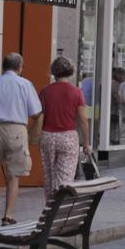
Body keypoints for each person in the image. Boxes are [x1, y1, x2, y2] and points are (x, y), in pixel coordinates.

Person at [0, 53, 43, 226]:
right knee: (13, 176)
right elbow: (36, 112)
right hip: (16, 129)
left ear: (3, 67)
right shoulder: (25, 84)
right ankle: (8, 216)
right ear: (20, 67)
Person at [38, 56, 90, 201]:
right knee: (65, 180)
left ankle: (49, 208)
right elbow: (83, 119)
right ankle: (60, 211)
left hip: (47, 136)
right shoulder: (76, 92)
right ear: (70, 71)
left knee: (49, 177)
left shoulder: (45, 91)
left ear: (53, 72)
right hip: (68, 137)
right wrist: (86, 143)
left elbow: (39, 115)